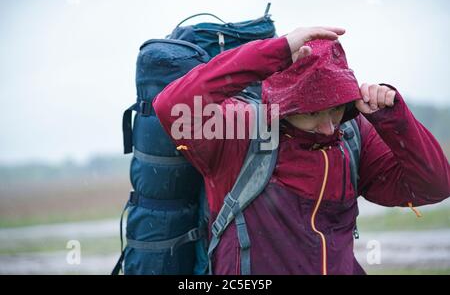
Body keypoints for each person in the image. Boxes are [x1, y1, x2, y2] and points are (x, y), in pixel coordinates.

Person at [152, 27, 450, 274]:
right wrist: (276, 51)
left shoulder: (352, 133)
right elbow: (171, 107)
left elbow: (435, 187)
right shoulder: (237, 132)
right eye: (311, 114)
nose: (328, 127)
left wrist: (395, 121)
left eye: (334, 110)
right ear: (281, 109)